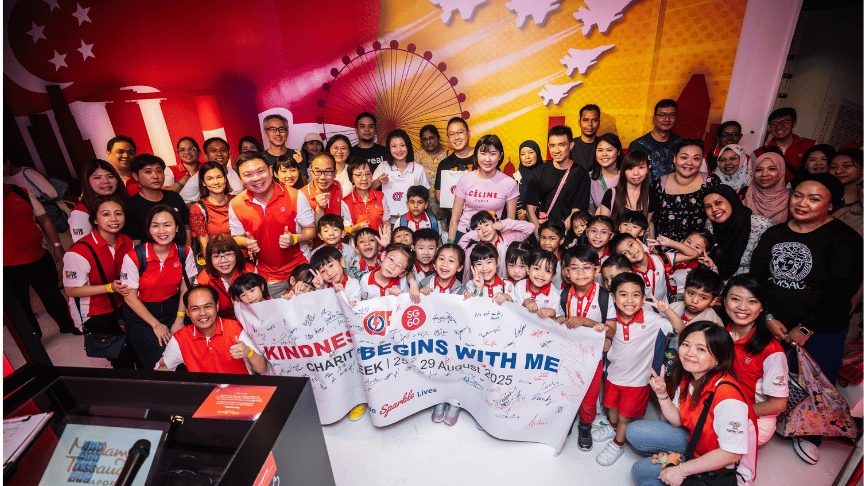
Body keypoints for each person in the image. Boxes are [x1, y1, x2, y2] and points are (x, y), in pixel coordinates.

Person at [751, 173, 863, 464]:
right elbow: (757, 277)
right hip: (773, 321)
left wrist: (805, 328)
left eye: (814, 199)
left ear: (831, 204)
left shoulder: (845, 239)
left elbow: (842, 290)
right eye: (798, 195)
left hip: (823, 327)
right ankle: (762, 421)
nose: (802, 203)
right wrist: (767, 316)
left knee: (816, 383)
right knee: (767, 377)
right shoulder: (775, 234)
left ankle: (810, 435)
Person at [628, 321, 758, 486]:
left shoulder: (728, 396)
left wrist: (682, 470)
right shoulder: (689, 375)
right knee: (635, 443)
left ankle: (685, 464)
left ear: (719, 359)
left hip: (724, 471)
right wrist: (662, 394)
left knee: (644, 477)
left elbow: (731, 454)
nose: (689, 353)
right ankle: (683, 459)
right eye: (686, 344)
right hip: (696, 445)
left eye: (701, 349)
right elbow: (677, 421)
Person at [594, 272, 684, 466]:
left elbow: (680, 329)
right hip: (612, 376)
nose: (629, 300)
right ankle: (612, 427)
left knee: (625, 417)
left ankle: (618, 443)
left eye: (635, 295)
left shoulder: (652, 319)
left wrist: (667, 310)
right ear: (614, 298)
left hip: (637, 382)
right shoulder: (610, 318)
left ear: (643, 298)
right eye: (623, 294)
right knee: (611, 407)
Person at [120, 205, 198, 369]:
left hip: (173, 309)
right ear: (148, 229)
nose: (162, 231)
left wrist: (179, 319)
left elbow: (186, 287)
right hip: (142, 315)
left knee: (186, 357)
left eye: (167, 225)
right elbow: (130, 297)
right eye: (155, 226)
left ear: (177, 228)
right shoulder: (135, 256)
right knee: (162, 362)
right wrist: (156, 325)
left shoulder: (184, 252)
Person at [229, 151, 316, 299]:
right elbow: (236, 238)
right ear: (240, 178)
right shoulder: (236, 204)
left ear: (270, 170)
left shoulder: (295, 195)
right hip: (268, 275)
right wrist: (246, 242)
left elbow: (311, 230)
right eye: (248, 174)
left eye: (260, 171)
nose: (256, 178)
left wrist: (294, 238)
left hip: (301, 268)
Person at [63, 195, 136, 366]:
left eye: (118, 213)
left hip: (123, 303)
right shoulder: (79, 252)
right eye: (106, 214)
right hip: (95, 312)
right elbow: (71, 290)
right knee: (121, 357)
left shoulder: (127, 241)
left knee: (137, 348)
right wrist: (109, 288)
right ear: (95, 220)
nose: (113, 219)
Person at [4, 184, 81, 337]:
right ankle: (33, 338)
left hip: (38, 256)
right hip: (8, 266)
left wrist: (57, 246)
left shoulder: (20, 192)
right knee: (21, 306)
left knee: (53, 295)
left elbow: (44, 219)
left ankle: (69, 325)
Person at [723, 275, 789, 446]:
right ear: (724, 301)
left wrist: (734, 412)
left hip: (754, 417)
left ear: (762, 307)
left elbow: (778, 404)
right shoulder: (720, 333)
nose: (742, 307)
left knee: (704, 444)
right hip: (722, 404)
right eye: (735, 299)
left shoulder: (771, 350)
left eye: (752, 301)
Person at [156, 285, 267, 374]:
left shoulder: (235, 328)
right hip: (203, 393)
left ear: (217, 306)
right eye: (195, 309)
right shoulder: (180, 338)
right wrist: (161, 374)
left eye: (207, 306)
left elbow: (262, 368)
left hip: (240, 392)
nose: (202, 313)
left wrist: (248, 352)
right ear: (187, 312)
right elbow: (160, 370)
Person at [449, 134, 518, 243]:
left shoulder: (509, 183)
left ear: (500, 156)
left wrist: (506, 246)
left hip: (491, 237)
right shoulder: (465, 179)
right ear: (476, 155)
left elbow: (510, 221)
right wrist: (450, 244)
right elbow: (454, 218)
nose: (487, 159)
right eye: (483, 153)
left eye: (493, 154)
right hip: (464, 235)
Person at [525, 125, 591, 235]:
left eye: (561, 145)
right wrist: (539, 236)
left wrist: (560, 233)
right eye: (552, 146)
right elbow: (530, 209)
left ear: (571, 145)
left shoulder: (581, 174)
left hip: (567, 234)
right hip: (542, 232)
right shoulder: (539, 172)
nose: (556, 150)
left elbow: (577, 210)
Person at [651, 139, 720, 243]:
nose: (689, 163)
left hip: (697, 248)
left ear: (701, 161)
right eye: (684, 157)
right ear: (674, 158)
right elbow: (649, 220)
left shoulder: (711, 182)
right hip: (663, 248)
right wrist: (652, 248)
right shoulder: (658, 185)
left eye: (696, 158)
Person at [702, 185, 774, 279]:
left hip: (751, 281)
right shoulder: (710, 225)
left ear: (731, 200)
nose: (714, 209)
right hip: (718, 279)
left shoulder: (761, 225)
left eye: (718, 203)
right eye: (708, 206)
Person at [124, 154, 190, 243]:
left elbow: (186, 226)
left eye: (159, 171)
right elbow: (135, 241)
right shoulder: (131, 206)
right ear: (136, 176)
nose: (155, 176)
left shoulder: (174, 197)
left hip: (179, 250)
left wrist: (188, 249)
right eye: (148, 172)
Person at [373, 129, 431, 226]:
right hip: (388, 222)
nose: (399, 150)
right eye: (394, 146)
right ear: (389, 148)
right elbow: (369, 188)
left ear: (408, 146)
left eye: (402, 145)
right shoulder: (383, 166)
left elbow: (425, 195)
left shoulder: (418, 169)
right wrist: (379, 181)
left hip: (412, 222)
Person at [195, 234, 255, 319]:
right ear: (209, 258)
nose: (223, 260)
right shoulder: (202, 282)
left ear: (236, 254)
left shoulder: (250, 272)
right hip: (220, 322)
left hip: (251, 318)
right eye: (216, 256)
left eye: (228, 254)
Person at [69, 160, 131, 242]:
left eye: (110, 176)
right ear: (87, 182)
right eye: (97, 177)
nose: (106, 181)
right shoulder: (80, 213)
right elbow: (80, 243)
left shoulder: (124, 200)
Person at [754, 107, 816, 183]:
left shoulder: (812, 145)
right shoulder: (759, 153)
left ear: (794, 123)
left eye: (784, 122)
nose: (779, 127)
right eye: (774, 124)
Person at [597, 151, 656, 228]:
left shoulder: (650, 196)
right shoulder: (612, 194)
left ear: (648, 169)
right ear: (624, 171)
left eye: (641, 167)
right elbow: (603, 227)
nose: (636, 173)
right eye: (630, 168)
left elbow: (645, 227)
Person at [628, 99, 682, 180]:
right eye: (662, 115)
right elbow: (631, 176)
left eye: (672, 115)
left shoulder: (681, 144)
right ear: (654, 118)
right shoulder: (637, 146)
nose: (667, 119)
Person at [189, 161, 234, 258]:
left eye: (219, 177)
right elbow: (204, 244)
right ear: (203, 183)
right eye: (210, 179)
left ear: (225, 178)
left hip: (242, 257)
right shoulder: (198, 209)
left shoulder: (236, 201)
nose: (216, 182)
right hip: (219, 260)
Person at [179, 137, 244, 204]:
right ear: (206, 156)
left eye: (223, 150)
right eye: (213, 151)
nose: (219, 154)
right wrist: (202, 208)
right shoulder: (199, 177)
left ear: (229, 155)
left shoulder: (235, 172)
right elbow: (182, 202)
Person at [343, 157, 390, 233]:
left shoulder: (380, 196)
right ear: (352, 178)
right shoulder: (346, 201)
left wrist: (386, 236)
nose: (364, 178)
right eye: (359, 175)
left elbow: (386, 222)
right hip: (357, 240)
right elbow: (347, 230)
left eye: (368, 174)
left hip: (378, 239)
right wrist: (357, 227)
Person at [741, 152, 789, 224]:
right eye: (759, 170)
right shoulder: (741, 194)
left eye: (771, 169)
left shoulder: (793, 199)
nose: (764, 174)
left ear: (781, 171)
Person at [434, 117, 474, 203]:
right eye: (452, 134)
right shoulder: (444, 165)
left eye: (460, 132)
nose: (456, 137)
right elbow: (439, 196)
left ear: (468, 133)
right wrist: (458, 208)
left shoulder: (483, 158)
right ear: (448, 138)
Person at [588, 133, 621, 212]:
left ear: (618, 152)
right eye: (600, 150)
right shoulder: (589, 177)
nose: (604, 154)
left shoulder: (628, 175)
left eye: (609, 150)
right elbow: (591, 209)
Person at [514, 140, 543, 220]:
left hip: (542, 220)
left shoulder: (545, 174)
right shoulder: (516, 178)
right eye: (523, 154)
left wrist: (528, 213)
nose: (527, 157)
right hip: (520, 223)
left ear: (537, 153)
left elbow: (549, 199)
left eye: (530, 152)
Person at [416, 124, 449, 190]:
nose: (428, 142)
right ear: (421, 142)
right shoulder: (416, 157)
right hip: (423, 196)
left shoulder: (448, 155)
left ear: (438, 138)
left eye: (431, 138)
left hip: (445, 195)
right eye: (425, 139)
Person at [572, 104, 601, 172]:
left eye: (594, 120)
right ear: (579, 122)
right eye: (585, 120)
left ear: (599, 123)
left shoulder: (604, 145)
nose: (590, 124)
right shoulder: (570, 145)